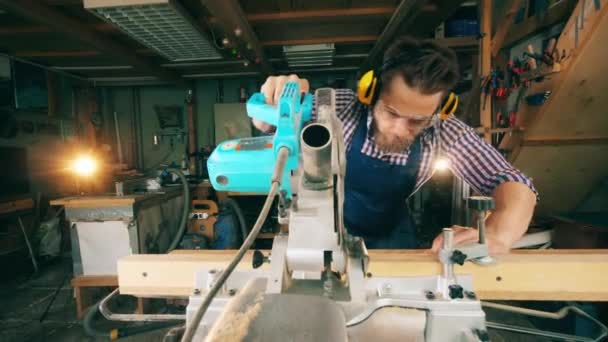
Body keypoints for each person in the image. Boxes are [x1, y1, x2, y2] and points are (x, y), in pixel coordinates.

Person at [254, 36, 537, 254]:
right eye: (390, 112)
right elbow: (264, 124)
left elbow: (510, 179)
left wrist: (499, 232)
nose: (400, 129)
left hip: (393, 234)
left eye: (416, 121)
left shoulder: (444, 130)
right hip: (327, 227)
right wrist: (277, 100)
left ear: (442, 109)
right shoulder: (335, 108)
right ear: (370, 92)